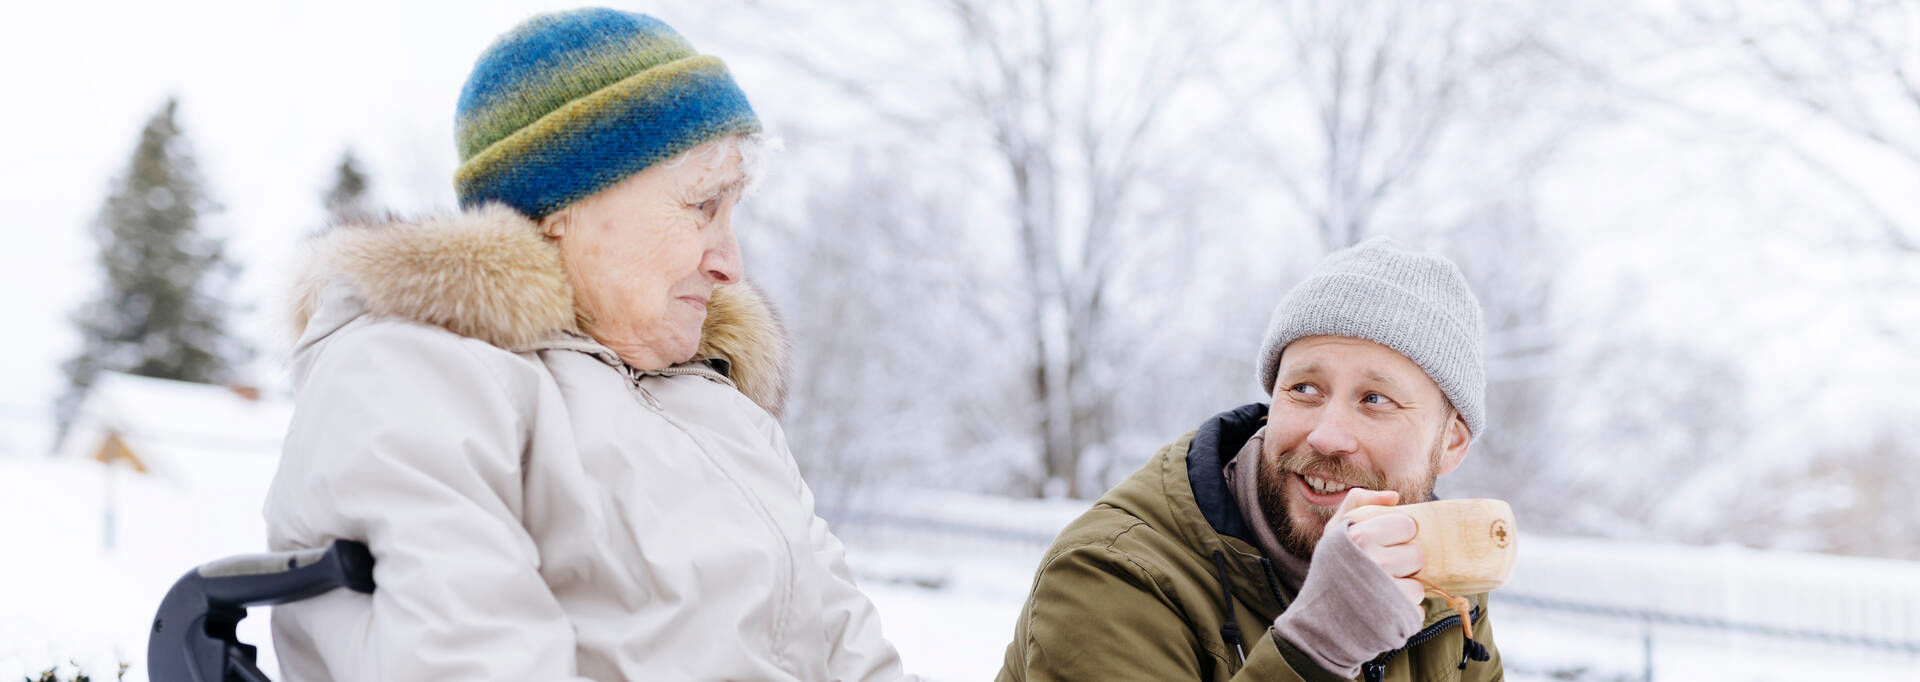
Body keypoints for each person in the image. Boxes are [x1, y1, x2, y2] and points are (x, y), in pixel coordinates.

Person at [264, 8, 910, 680]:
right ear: (561, 209)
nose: (730, 263)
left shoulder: (727, 414)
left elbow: (857, 659)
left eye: (733, 213)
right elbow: (464, 661)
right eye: (702, 206)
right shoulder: (415, 374)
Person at [997, 238, 1505, 681]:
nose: (1327, 437)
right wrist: (1316, 649)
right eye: (1304, 388)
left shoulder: (1446, 587)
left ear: (1451, 443)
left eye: (1375, 399)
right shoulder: (1114, 575)